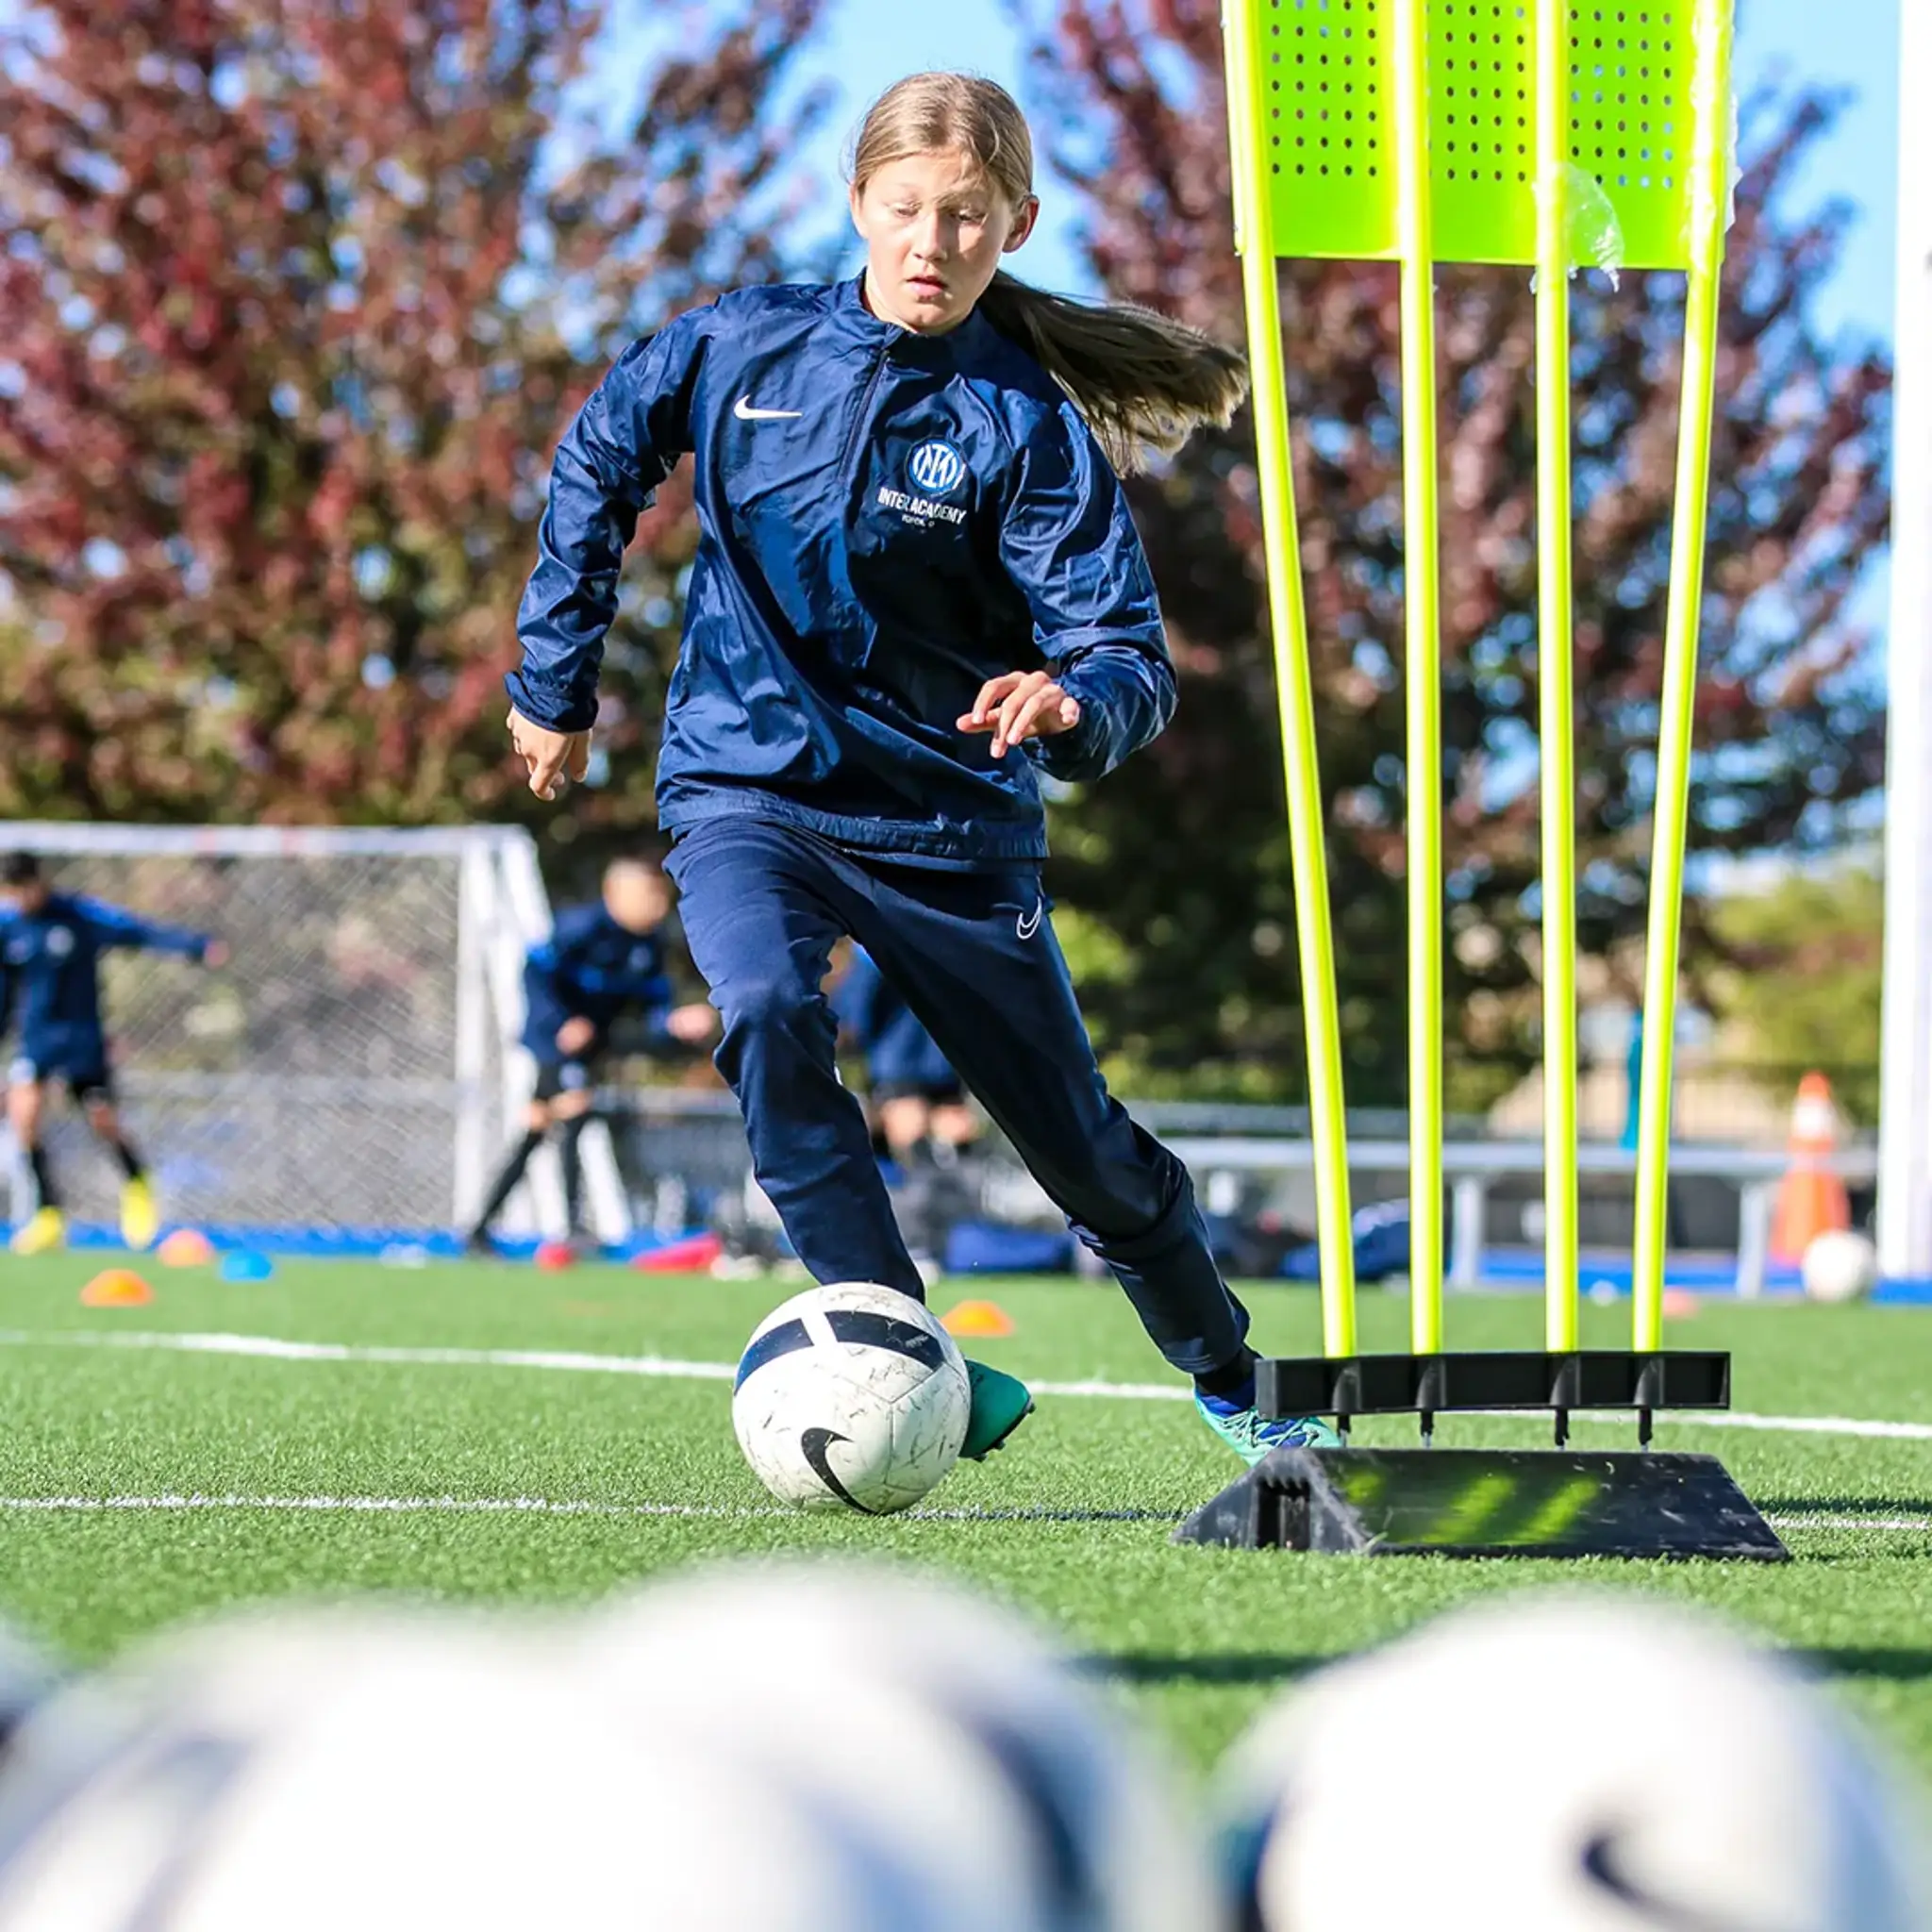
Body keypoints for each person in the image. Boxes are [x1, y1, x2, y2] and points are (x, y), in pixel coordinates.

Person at [499, 72, 1337, 1464]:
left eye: (965, 217)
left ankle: (1229, 1372)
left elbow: (1126, 653)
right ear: (858, 208)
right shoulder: (740, 349)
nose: (931, 244)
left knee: (1075, 1145)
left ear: (1017, 223)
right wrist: (553, 680)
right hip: (746, 786)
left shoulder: (1031, 426)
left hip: (950, 829)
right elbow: (598, 456)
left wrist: (1072, 704)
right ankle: (893, 1340)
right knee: (763, 1007)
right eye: (905, 212)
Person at [467, 856, 714, 1254]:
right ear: (615, 895)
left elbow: (653, 1006)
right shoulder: (580, 929)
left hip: (591, 1046)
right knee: (575, 1111)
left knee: (536, 1130)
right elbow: (534, 972)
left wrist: (674, 1023)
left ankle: (477, 1230)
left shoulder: (648, 943)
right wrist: (562, 1022)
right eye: (649, 896)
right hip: (555, 1041)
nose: (659, 907)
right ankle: (569, 1231)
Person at [0, 853, 228, 1254]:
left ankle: (138, 1186)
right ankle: (49, 1215)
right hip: (36, 1041)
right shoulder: (10, 926)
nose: (19, 898)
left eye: (23, 889)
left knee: (102, 1119)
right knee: (25, 1119)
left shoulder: (78, 916)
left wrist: (194, 946)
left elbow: (136, 932)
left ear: (39, 881)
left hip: (82, 1039)